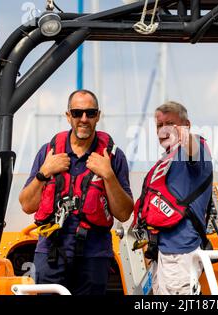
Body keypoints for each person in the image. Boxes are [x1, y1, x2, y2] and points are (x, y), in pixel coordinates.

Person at [19, 89, 133, 295]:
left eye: (90, 113)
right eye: (77, 113)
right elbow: (27, 205)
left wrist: (108, 175)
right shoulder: (49, 152)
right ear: (68, 116)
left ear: (98, 116)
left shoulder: (113, 156)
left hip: (94, 255)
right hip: (50, 254)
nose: (83, 119)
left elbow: (124, 213)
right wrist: (44, 172)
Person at [132, 101, 213, 295]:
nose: (163, 130)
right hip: (162, 253)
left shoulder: (196, 151)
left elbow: (193, 149)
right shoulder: (167, 161)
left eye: (170, 124)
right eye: (159, 126)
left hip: (181, 253)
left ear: (186, 125)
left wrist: (184, 135)